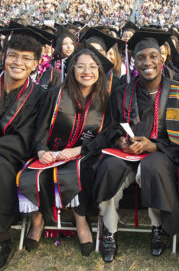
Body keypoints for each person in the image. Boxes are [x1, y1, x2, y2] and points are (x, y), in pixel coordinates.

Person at [91, 30, 179, 263]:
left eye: (152, 56)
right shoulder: (121, 93)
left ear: (161, 59)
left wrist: (154, 147)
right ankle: (109, 229)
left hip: (162, 153)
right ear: (133, 61)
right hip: (127, 153)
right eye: (141, 58)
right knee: (109, 167)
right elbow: (111, 128)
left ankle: (159, 227)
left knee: (153, 167)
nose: (147, 62)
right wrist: (120, 141)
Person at [17, 43, 113, 257]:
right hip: (52, 152)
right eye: (80, 67)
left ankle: (81, 221)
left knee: (82, 171)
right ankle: (38, 219)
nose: (86, 72)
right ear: (71, 70)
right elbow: (39, 127)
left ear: (99, 71)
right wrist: (41, 150)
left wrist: (79, 150)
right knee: (35, 173)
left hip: (86, 153)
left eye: (92, 67)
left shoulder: (106, 100)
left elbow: (106, 135)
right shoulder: (55, 94)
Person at [0, 27, 45, 268]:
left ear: (36, 64)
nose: (18, 62)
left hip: (15, 156)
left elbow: (27, 137)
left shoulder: (39, 96)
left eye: (26, 58)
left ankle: (2, 238)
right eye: (13, 55)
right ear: (4, 56)